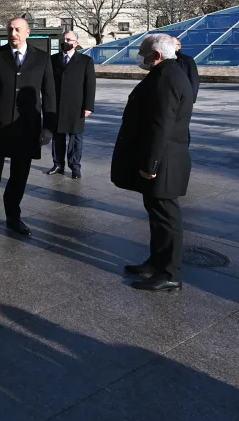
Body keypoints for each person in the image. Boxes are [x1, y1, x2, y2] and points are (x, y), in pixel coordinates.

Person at [111, 33, 194, 292]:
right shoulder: (166, 73)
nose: (140, 57)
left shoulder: (167, 78)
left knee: (167, 217)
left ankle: (170, 272)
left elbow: (162, 125)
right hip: (163, 159)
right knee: (157, 215)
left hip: (165, 161)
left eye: (142, 52)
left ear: (156, 56)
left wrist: (151, 164)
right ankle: (156, 262)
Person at [0, 17, 56, 238]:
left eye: (18, 30)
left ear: (28, 32)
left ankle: (13, 217)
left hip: (27, 129)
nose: (13, 33)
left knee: (19, 177)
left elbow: (49, 95)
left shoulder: (42, 59)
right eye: (10, 29)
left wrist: (48, 127)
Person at [46, 31, 96, 179]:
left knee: (76, 137)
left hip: (76, 106)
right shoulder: (53, 60)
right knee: (58, 136)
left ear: (76, 43)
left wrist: (88, 106)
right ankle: (58, 164)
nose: (65, 41)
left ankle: (75, 166)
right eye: (63, 39)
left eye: (68, 39)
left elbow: (90, 85)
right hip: (57, 106)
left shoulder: (85, 61)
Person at [172, 36, 200, 102]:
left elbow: (194, 80)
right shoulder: (162, 60)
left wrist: (191, 99)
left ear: (179, 46)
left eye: (173, 44)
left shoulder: (187, 60)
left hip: (181, 97)